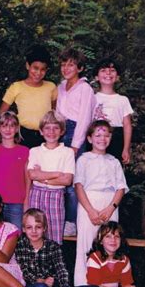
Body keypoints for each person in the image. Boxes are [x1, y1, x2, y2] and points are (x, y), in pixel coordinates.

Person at [15, 208, 102, 287]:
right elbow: (24, 270)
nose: (34, 231)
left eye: (38, 227)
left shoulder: (53, 246)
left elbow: (62, 271)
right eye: (29, 227)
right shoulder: (20, 245)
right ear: (23, 229)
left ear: (44, 228)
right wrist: (41, 281)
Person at [73, 120, 128, 286]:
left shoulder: (114, 161)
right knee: (86, 244)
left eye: (106, 135)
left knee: (109, 245)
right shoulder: (83, 159)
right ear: (90, 139)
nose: (102, 139)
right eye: (97, 135)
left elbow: (121, 188)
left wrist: (111, 208)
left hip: (110, 204)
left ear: (110, 138)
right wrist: (90, 211)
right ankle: (84, 286)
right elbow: (78, 186)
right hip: (88, 203)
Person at [56, 48, 97, 237]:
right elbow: (57, 113)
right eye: (63, 64)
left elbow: (84, 119)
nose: (66, 68)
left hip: (75, 135)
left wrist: (75, 145)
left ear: (79, 68)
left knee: (72, 182)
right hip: (59, 132)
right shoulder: (61, 86)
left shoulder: (85, 88)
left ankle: (72, 222)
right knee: (59, 179)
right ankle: (59, 217)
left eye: (71, 64)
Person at [27, 111, 75, 245]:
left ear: (62, 131)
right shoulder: (34, 151)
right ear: (41, 131)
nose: (51, 132)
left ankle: (52, 264)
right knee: (34, 233)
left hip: (56, 196)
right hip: (36, 194)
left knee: (54, 236)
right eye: (47, 128)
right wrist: (57, 173)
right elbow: (32, 175)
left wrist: (43, 177)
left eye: (55, 128)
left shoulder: (68, 152)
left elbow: (67, 180)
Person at [0, 44, 57, 148]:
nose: (38, 73)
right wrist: (6, 130)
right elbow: (2, 112)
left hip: (45, 135)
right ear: (27, 66)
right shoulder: (16, 87)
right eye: (35, 68)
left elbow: (54, 110)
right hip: (22, 135)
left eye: (43, 69)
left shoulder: (51, 87)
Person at [0, 111, 30, 230]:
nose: (8, 129)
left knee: (16, 239)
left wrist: (26, 201)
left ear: (17, 128)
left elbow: (28, 179)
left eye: (12, 125)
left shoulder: (25, 151)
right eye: (4, 126)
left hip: (17, 204)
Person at [92, 58, 134, 165]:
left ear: (118, 77)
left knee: (113, 169)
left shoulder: (123, 99)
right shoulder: (91, 98)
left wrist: (126, 148)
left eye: (112, 70)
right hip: (95, 137)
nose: (108, 73)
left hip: (116, 137)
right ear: (96, 77)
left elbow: (127, 125)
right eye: (103, 70)